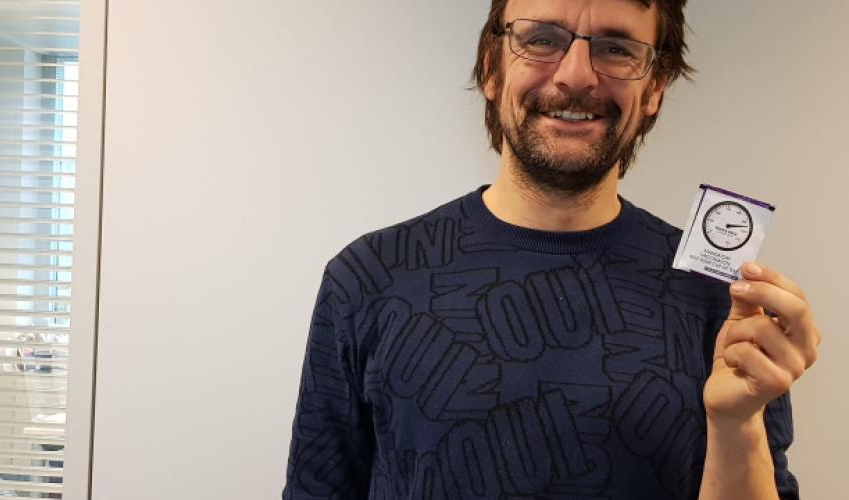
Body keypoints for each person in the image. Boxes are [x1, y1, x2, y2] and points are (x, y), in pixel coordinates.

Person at [282, 0, 821, 498]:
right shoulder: (369, 277)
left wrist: (736, 424)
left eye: (616, 48)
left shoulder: (721, 298)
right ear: (492, 69)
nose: (576, 75)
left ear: (655, 87)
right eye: (541, 39)